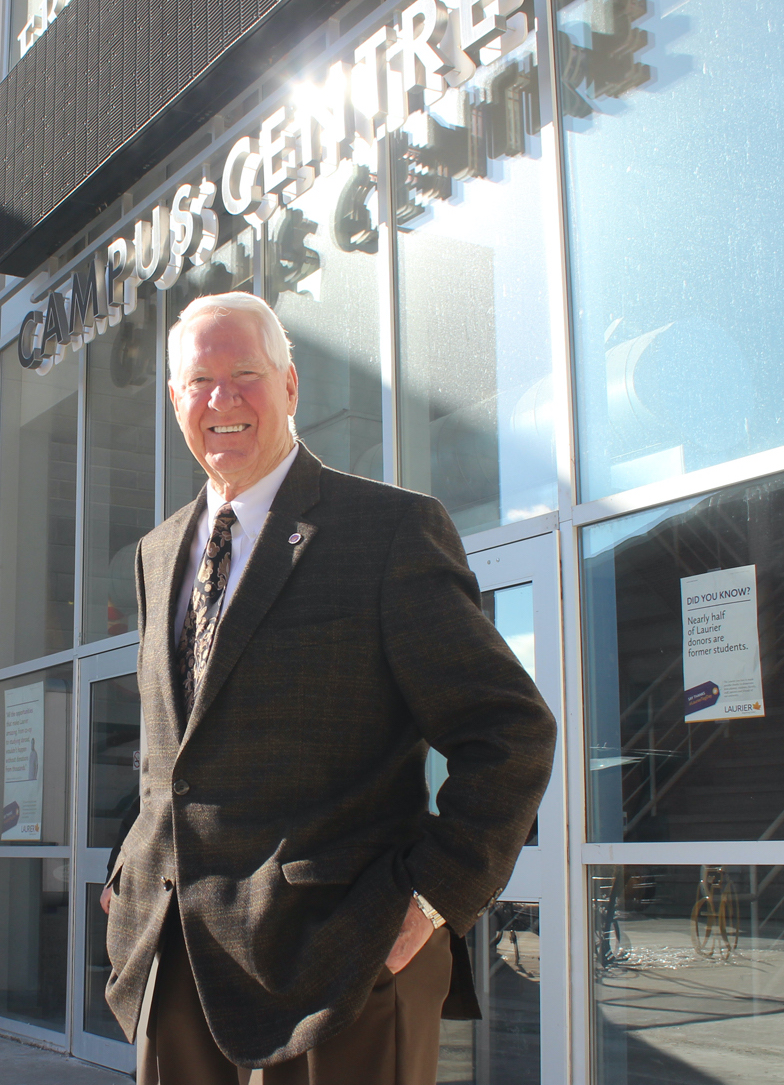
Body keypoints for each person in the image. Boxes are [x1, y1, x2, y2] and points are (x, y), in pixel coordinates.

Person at [102, 292, 556, 1085]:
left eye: (246, 373)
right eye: (200, 380)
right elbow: (172, 750)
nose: (223, 399)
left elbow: (509, 732)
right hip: (175, 952)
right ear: (176, 400)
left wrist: (431, 898)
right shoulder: (158, 551)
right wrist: (128, 871)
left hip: (343, 956)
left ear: (290, 386)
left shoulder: (386, 531)